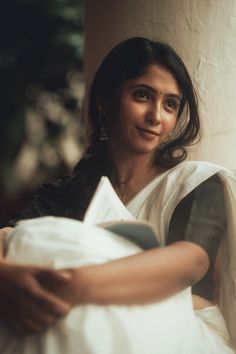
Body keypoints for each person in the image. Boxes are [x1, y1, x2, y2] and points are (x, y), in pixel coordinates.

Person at [0, 37, 235, 353]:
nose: (156, 116)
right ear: (106, 100)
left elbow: (188, 264)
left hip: (182, 333)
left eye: (170, 104)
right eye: (142, 95)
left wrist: (72, 287)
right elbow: (8, 240)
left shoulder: (195, 183)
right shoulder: (67, 192)